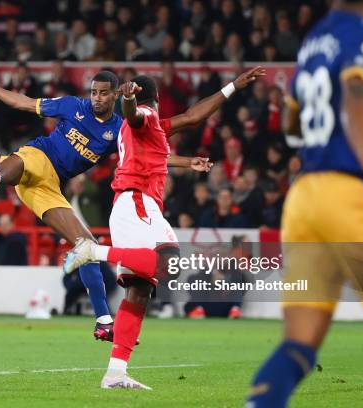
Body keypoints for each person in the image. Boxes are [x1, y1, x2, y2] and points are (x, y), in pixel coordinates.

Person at [246, 1, 363, 407]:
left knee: (299, 345)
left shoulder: (315, 41)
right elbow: (354, 97)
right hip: (351, 202)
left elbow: (292, 121)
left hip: (305, 202)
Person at [63, 66, 264, 389]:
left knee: (140, 291)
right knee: (170, 263)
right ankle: (92, 250)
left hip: (134, 205)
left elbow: (190, 118)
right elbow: (138, 115)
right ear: (155, 100)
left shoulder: (151, 129)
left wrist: (188, 160)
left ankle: (115, 372)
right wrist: (128, 99)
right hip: (137, 202)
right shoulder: (145, 113)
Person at [0, 68, 124, 342]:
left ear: (115, 95)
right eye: (93, 92)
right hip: (36, 157)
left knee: (88, 247)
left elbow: (146, 153)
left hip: (48, 187)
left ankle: (103, 322)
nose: (96, 98)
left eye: (102, 93)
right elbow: (23, 102)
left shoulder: (119, 129)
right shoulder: (73, 106)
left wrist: (186, 162)